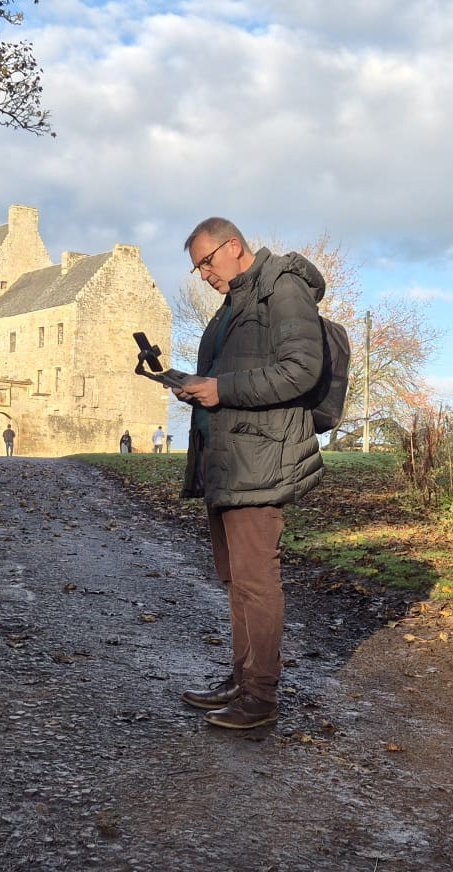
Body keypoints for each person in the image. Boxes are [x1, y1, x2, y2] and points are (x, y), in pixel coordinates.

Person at [148, 217, 325, 730]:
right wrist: (188, 383)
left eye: (206, 261)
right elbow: (230, 376)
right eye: (196, 267)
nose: (202, 274)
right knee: (236, 581)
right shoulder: (234, 305)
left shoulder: (282, 289)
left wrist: (220, 390)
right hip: (225, 461)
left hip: (260, 461)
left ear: (234, 246)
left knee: (257, 581)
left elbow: (302, 369)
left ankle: (261, 698)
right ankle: (241, 680)